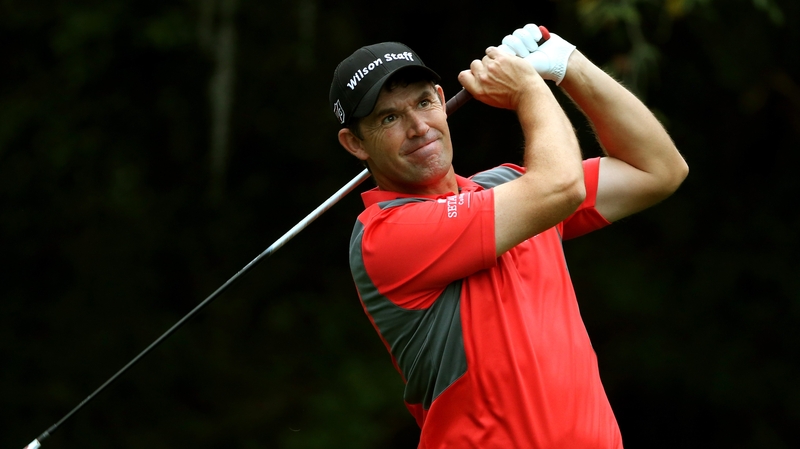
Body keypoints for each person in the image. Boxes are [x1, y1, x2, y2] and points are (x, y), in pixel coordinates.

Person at [329, 23, 688, 449]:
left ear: (442, 100)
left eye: (424, 102)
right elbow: (560, 186)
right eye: (389, 118)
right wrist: (529, 90)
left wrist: (568, 63)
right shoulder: (385, 236)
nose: (419, 127)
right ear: (355, 143)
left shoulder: (511, 188)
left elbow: (659, 169)